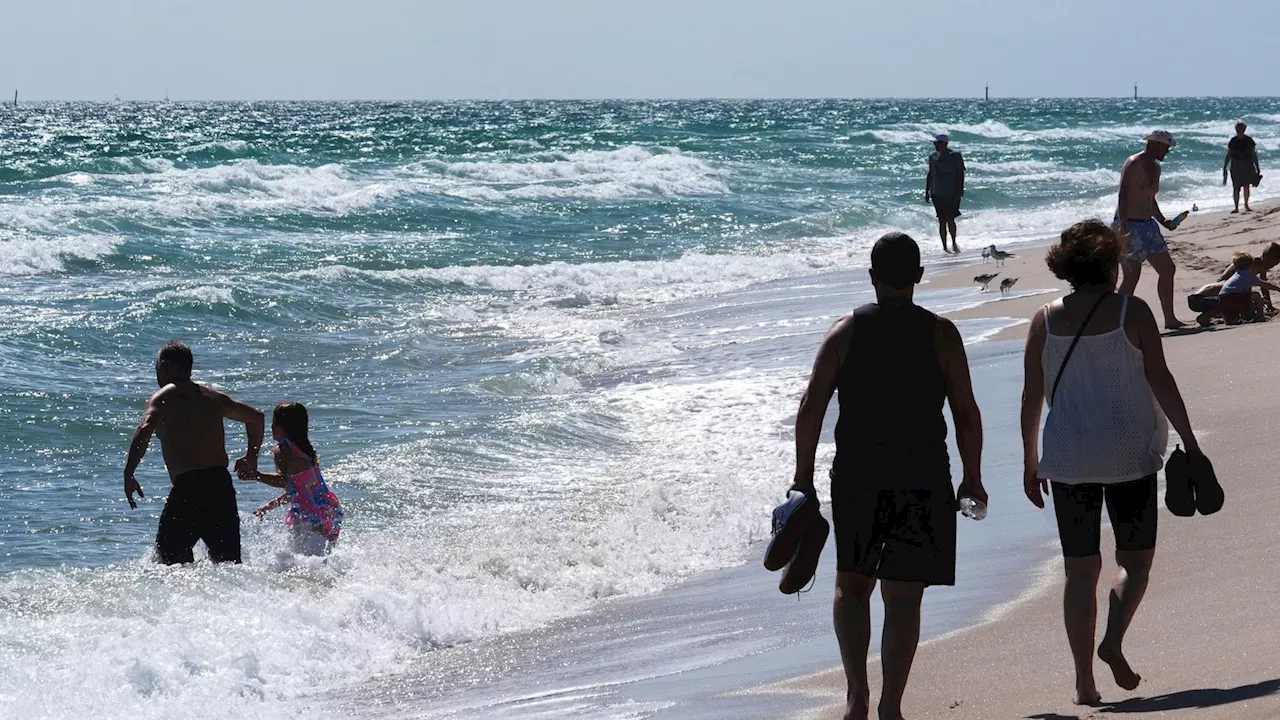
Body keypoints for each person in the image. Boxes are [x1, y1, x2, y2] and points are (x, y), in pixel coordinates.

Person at [790, 232, 984, 720]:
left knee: (852, 585)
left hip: (858, 474)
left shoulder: (845, 331)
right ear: (919, 276)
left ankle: (857, 696)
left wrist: (803, 477)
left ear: (872, 276)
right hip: (923, 473)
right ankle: (891, 706)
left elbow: (812, 405)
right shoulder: (941, 334)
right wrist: (972, 477)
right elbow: (966, 411)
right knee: (904, 594)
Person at [1020, 220, 1199, 706]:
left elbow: (1032, 397)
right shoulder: (1132, 312)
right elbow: (1161, 379)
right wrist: (1190, 441)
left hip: (1068, 458)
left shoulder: (1044, 318)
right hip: (1129, 455)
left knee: (1080, 571)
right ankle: (1113, 639)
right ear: (1109, 264)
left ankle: (1083, 683)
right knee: (1135, 562)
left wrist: (1030, 460)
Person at [124, 341, 264, 564]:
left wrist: (129, 473)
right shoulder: (213, 397)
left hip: (189, 490)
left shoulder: (164, 397)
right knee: (229, 565)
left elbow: (145, 428)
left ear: (167, 366)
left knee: (168, 563)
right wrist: (251, 458)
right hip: (221, 489)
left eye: (157, 365)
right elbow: (256, 418)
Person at [238, 401, 343, 555]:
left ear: (278, 427)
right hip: (330, 510)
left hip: (310, 514)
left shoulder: (283, 450)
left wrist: (256, 475)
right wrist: (267, 508)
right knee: (323, 561)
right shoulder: (306, 449)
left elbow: (285, 481)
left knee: (309, 565)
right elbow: (297, 491)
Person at [1115, 130, 1187, 329]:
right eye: (1166, 147)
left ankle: (1170, 319)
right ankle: (1114, 321)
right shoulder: (1133, 163)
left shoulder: (1156, 168)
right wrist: (1123, 227)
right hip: (1129, 224)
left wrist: (1163, 221)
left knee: (1167, 269)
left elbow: (1150, 198)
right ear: (1154, 144)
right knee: (1131, 276)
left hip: (1148, 225)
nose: (1168, 151)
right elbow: (1122, 195)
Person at [1186, 243, 1280, 325]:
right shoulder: (1250, 264)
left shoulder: (1260, 266)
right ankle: (1211, 316)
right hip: (1213, 292)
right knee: (1228, 302)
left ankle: (1225, 314)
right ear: (1264, 256)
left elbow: (1263, 285)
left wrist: (1269, 305)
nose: (1271, 266)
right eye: (1270, 263)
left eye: (1275, 265)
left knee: (1236, 300)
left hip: (1216, 293)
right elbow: (1230, 282)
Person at [925, 133, 965, 255]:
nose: (935, 146)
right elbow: (930, 173)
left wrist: (960, 191)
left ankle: (953, 242)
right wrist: (926, 191)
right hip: (937, 192)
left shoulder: (955, 156)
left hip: (951, 192)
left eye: (937, 143)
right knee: (941, 220)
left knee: (950, 219)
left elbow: (960, 174)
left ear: (945, 144)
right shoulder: (932, 156)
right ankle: (944, 246)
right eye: (934, 144)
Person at [1217, 252, 1280, 324]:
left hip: (1222, 300)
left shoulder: (1235, 276)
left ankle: (1231, 319)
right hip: (1233, 297)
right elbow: (1264, 284)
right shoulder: (1249, 275)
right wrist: (1278, 289)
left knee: (1233, 320)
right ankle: (1261, 316)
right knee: (1256, 295)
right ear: (1251, 265)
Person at [1223, 122, 1261, 213]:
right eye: (1239, 129)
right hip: (1236, 165)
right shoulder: (1234, 141)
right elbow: (1228, 155)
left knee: (1245, 186)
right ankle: (1237, 207)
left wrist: (1257, 167)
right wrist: (1225, 167)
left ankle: (1245, 205)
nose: (1240, 130)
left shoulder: (1248, 140)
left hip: (1246, 165)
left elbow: (1253, 155)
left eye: (1241, 128)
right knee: (1237, 187)